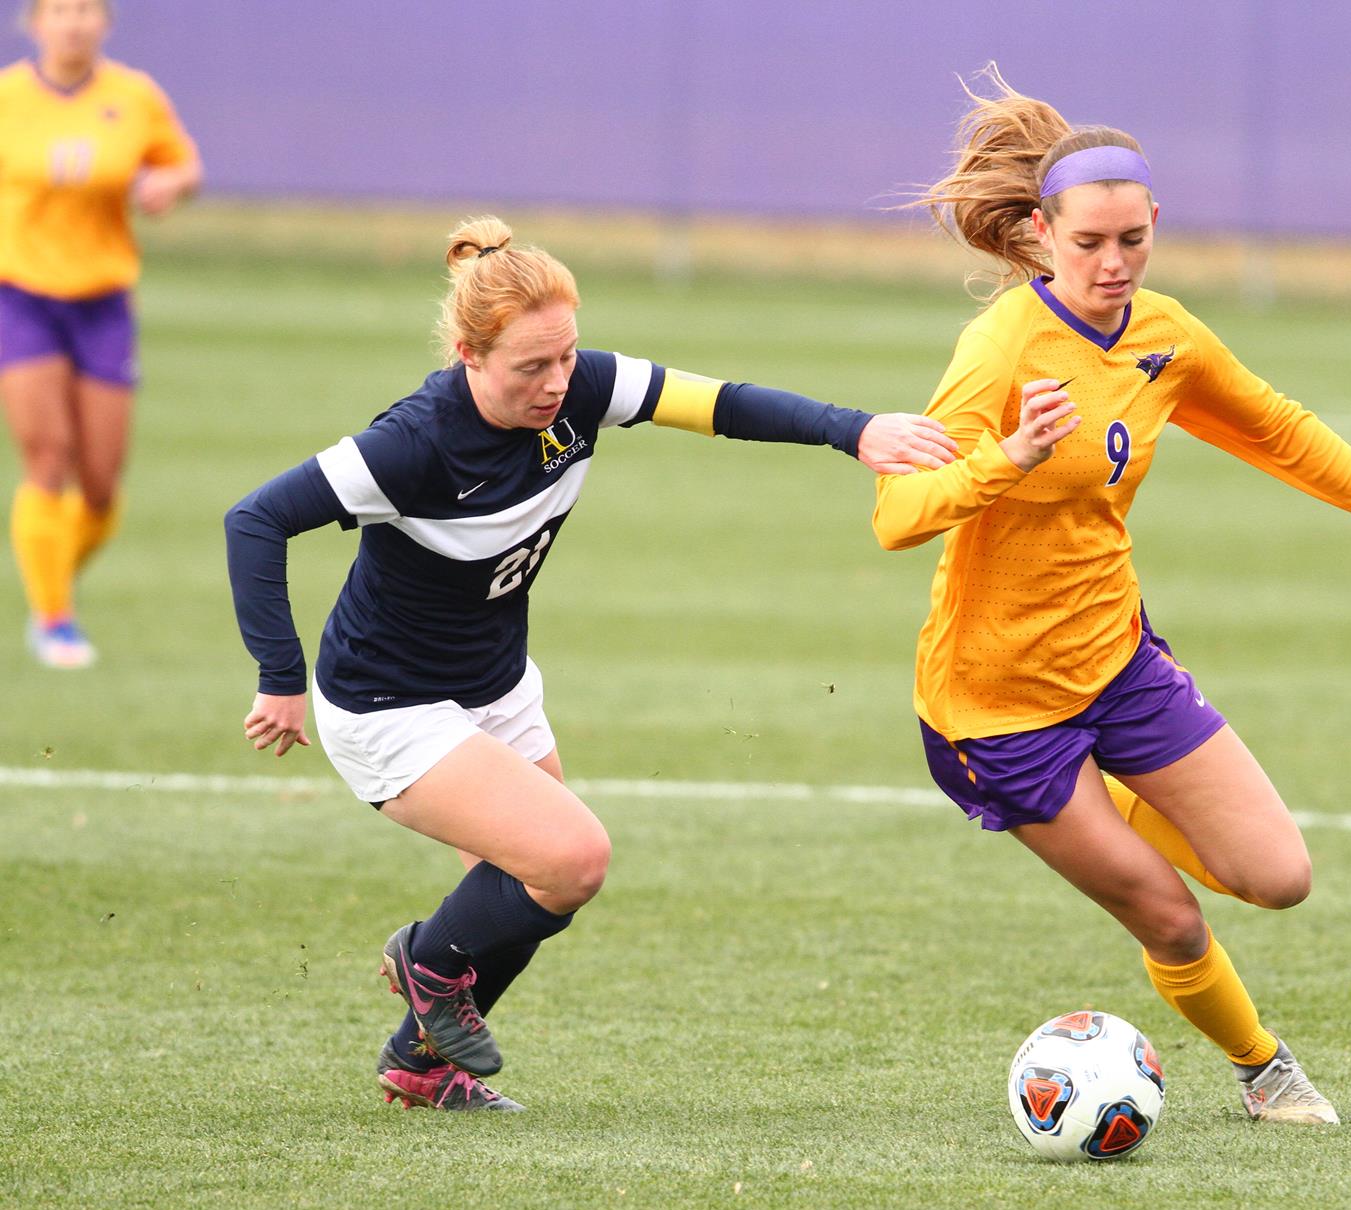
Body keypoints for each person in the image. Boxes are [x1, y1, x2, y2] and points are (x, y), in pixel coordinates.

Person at [877, 70, 1351, 1125]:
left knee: (1277, 876)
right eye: (1088, 242)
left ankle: (1119, 795)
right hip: (994, 708)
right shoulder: (999, 347)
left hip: (1116, 662)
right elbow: (898, 513)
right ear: (1039, 235)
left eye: (1131, 239)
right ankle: (1264, 1068)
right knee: (1171, 918)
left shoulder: (1163, 334)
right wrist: (1006, 453)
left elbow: (1281, 430)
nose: (1111, 263)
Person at [226, 217, 957, 1112]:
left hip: (494, 682)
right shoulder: (413, 444)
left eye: (565, 357)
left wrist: (858, 431)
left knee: (527, 890)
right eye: (530, 367)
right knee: (572, 858)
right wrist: (278, 675)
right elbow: (254, 519)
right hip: (387, 703)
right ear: (467, 354)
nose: (556, 382)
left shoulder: (584, 389)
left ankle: (419, 1063)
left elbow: (721, 403)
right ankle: (421, 961)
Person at [1, 0, 200, 667]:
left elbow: (184, 165)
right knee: (47, 456)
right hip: (21, 296)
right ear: (34, 23)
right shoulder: (7, 98)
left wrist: (168, 183)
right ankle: (54, 618)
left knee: (100, 485)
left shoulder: (133, 96)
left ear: (105, 23)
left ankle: (50, 578)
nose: (74, 22)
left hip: (103, 302)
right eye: (59, 10)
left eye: (87, 9)